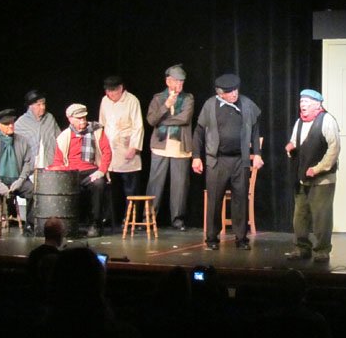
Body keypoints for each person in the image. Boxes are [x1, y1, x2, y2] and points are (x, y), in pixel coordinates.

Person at [193, 73, 263, 250]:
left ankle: (241, 239)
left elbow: (255, 130)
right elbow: (199, 132)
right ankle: (212, 239)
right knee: (215, 200)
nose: (234, 94)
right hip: (217, 160)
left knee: (241, 199)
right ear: (220, 93)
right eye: (230, 92)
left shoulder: (246, 104)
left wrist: (258, 154)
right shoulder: (210, 105)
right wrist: (196, 157)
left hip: (240, 160)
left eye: (236, 90)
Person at [284, 89, 340, 263]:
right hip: (302, 177)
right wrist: (290, 148)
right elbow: (294, 142)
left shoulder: (327, 121)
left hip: (322, 179)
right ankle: (302, 248)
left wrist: (318, 168)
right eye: (301, 103)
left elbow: (334, 149)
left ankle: (322, 250)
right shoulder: (300, 122)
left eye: (307, 103)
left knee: (321, 215)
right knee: (300, 215)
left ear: (318, 104)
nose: (303, 106)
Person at [50, 103, 112, 238]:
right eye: (79, 119)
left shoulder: (96, 131)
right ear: (70, 119)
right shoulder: (64, 137)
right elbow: (58, 161)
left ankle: (95, 224)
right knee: (63, 187)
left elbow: (107, 152)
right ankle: (68, 225)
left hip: (92, 171)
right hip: (71, 174)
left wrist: (101, 171)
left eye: (84, 118)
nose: (83, 121)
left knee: (98, 184)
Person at [145, 64, 194, 231]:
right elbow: (151, 120)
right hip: (160, 146)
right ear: (168, 81)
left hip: (180, 146)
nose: (179, 85)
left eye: (182, 82)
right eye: (176, 81)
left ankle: (178, 219)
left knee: (179, 186)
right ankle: (149, 218)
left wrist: (163, 121)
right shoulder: (158, 98)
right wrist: (166, 105)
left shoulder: (188, 98)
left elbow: (184, 118)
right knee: (155, 184)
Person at [0, 109, 35, 238]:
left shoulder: (22, 140)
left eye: (12, 122)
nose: (11, 125)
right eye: (6, 124)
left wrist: (20, 180)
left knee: (32, 190)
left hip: (16, 179)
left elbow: (28, 162)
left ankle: (29, 226)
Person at [99, 76, 144, 224]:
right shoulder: (105, 101)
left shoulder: (132, 101)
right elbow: (102, 124)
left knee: (130, 188)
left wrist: (133, 147)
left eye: (112, 91)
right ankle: (110, 217)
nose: (109, 94)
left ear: (120, 89)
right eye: (107, 91)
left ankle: (130, 218)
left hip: (126, 149)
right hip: (110, 151)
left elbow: (138, 126)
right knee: (110, 186)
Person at [14, 89, 61, 169]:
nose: (43, 107)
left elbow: (60, 138)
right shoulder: (21, 122)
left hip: (49, 161)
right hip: (31, 164)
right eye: (38, 105)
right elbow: (15, 147)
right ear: (30, 106)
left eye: (43, 104)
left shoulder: (49, 118)